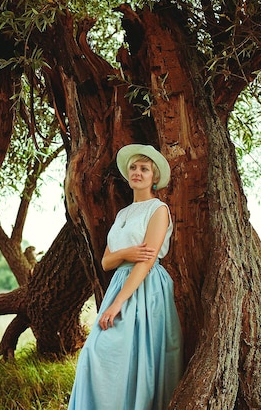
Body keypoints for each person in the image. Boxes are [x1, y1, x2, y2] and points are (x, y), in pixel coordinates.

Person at [68, 144, 183, 410]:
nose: (137, 173)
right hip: (120, 281)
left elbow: (148, 260)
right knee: (95, 353)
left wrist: (118, 302)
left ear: (154, 177)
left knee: (139, 356)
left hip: (146, 286)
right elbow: (107, 262)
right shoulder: (123, 213)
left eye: (144, 169)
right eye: (133, 168)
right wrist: (128, 251)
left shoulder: (159, 209)